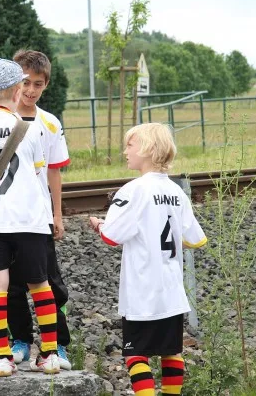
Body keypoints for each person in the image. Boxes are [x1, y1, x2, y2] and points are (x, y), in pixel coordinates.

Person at [88, 123, 207, 396]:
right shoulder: (177, 192)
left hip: (142, 291)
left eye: (129, 145)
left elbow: (112, 237)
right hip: (171, 291)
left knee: (136, 353)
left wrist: (100, 225)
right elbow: (195, 239)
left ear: (147, 149)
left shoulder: (133, 190)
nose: (125, 151)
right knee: (171, 352)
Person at [0, 58, 61, 377]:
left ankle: (3, 356)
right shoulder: (30, 130)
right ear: (18, 92)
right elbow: (39, 172)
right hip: (31, 220)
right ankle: (49, 353)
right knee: (40, 283)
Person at [8, 49, 72, 370]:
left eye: (38, 84)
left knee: (49, 282)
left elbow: (54, 172)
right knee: (12, 284)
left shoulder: (50, 123)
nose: (30, 90)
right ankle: (20, 339)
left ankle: (57, 344)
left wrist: (57, 214)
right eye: (25, 82)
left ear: (46, 84)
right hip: (8, 218)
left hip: (39, 217)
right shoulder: (2, 120)